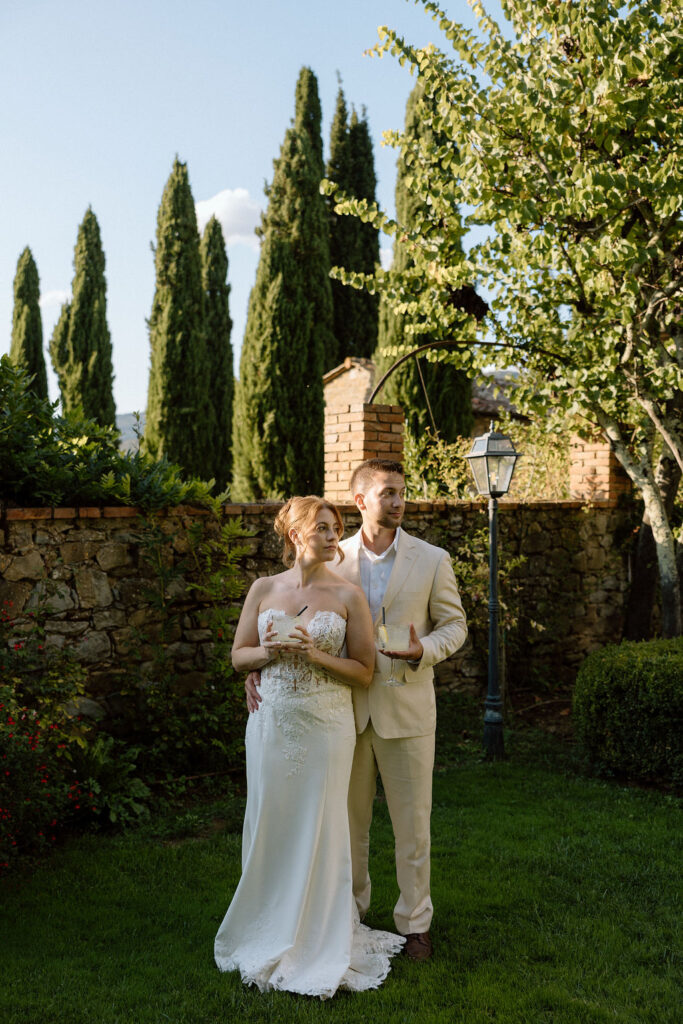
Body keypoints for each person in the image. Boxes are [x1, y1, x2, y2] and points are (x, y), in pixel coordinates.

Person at [246, 461, 468, 962]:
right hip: (339, 712)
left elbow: (455, 626)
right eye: (388, 493)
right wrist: (258, 668)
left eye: (402, 493)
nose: (398, 501)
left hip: (407, 710)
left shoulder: (432, 559)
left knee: (413, 827)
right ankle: (348, 915)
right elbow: (292, 614)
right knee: (347, 826)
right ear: (362, 500)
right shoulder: (331, 555)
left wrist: (424, 650)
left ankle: (416, 926)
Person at [215, 495, 405, 998]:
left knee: (321, 827)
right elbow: (238, 657)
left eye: (335, 527)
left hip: (325, 726)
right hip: (271, 723)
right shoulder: (263, 588)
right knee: (271, 822)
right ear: (296, 534)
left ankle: (318, 934)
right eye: (322, 527)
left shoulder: (348, 597)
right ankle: (267, 923)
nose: (331, 535)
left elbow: (364, 672)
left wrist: (316, 656)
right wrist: (267, 653)